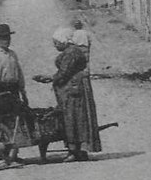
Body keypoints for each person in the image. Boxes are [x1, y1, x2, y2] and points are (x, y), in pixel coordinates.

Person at [34, 26, 101, 161]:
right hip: (73, 89)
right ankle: (78, 150)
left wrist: (50, 78)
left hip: (74, 91)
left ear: (63, 41)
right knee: (76, 118)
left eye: (56, 43)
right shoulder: (72, 51)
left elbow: (64, 72)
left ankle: (74, 151)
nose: (55, 45)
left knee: (72, 119)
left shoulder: (71, 53)